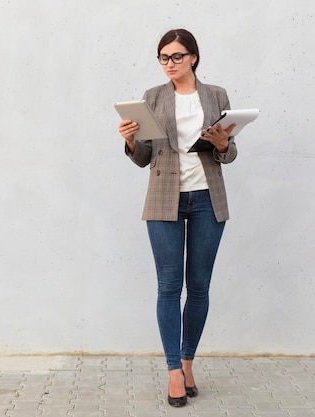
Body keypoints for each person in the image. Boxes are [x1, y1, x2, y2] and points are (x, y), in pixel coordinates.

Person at [118, 29, 237, 407]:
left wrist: (222, 144)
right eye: (163, 58)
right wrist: (132, 141)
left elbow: (229, 153)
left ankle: (187, 363)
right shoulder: (152, 97)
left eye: (177, 57)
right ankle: (173, 371)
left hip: (206, 198)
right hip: (164, 198)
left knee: (199, 287)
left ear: (194, 58)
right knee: (169, 287)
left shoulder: (216, 95)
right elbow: (145, 157)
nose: (170, 64)